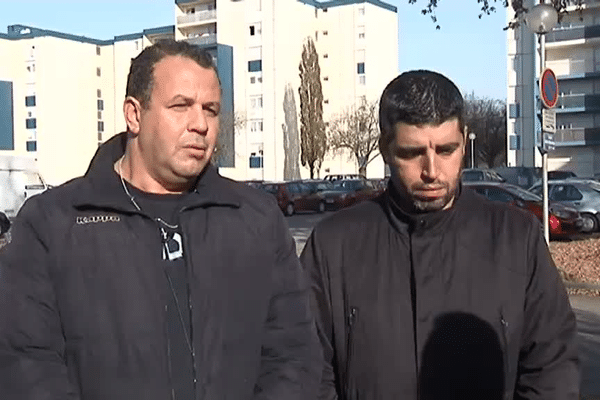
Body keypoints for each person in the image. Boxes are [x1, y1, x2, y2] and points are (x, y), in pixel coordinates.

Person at [0, 39, 319, 399]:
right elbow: (25, 364)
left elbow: (294, 354)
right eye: (181, 106)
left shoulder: (256, 219)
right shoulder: (54, 223)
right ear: (134, 114)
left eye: (211, 110)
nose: (200, 124)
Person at [301, 70, 579, 399]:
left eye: (446, 150)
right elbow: (305, 369)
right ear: (385, 149)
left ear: (464, 140)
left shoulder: (516, 238)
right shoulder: (334, 245)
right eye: (411, 153)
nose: (432, 171)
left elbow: (551, 370)